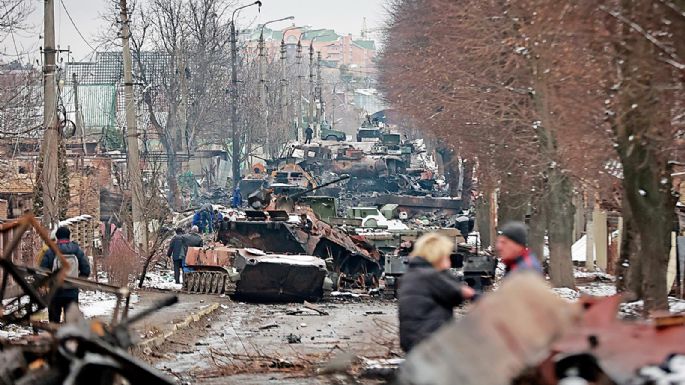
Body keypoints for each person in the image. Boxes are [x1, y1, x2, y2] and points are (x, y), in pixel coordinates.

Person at [398, 232, 476, 352]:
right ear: (437, 256)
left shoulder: (412, 274)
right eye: (446, 256)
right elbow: (456, 294)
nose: (449, 261)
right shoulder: (430, 276)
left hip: (414, 340)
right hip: (429, 341)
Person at [40, 226, 91, 323]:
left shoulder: (51, 251)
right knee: (71, 322)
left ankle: (55, 337)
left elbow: (42, 271)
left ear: (57, 237)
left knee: (54, 322)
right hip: (72, 291)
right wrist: (77, 281)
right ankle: (69, 337)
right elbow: (86, 269)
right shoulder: (76, 250)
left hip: (55, 291)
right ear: (69, 236)